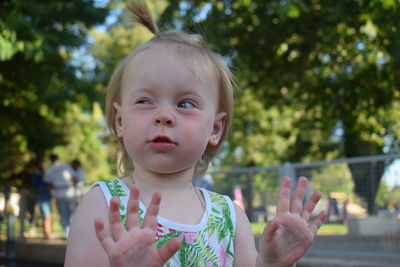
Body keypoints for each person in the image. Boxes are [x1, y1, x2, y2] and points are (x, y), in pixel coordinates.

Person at [65, 1, 326, 266]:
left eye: (185, 104)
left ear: (215, 128)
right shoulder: (103, 206)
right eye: (145, 101)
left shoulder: (229, 217)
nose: (163, 115)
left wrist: (271, 264)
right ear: (120, 120)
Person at [44, 154, 75, 239]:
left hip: (59, 192)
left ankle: (67, 233)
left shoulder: (49, 169)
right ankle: (70, 233)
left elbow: (47, 181)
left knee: (63, 214)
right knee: (70, 213)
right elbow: (73, 177)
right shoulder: (65, 166)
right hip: (68, 191)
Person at [31, 158, 55, 239]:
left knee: (49, 215)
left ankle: (47, 233)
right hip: (42, 197)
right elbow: (38, 186)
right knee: (46, 215)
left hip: (47, 196)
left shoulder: (45, 174)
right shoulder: (35, 175)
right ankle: (46, 234)